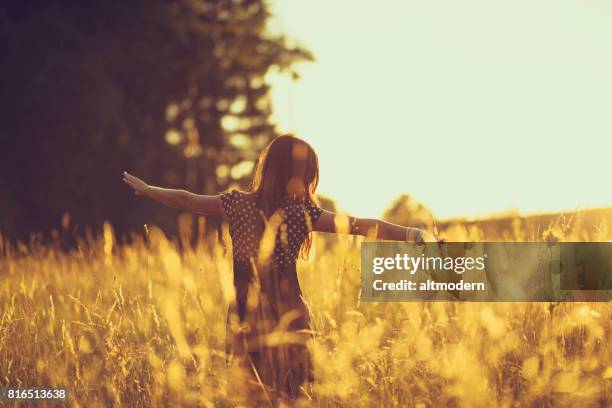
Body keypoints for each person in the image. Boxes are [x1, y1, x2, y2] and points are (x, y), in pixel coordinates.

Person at [122, 134, 431, 404]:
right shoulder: (303, 212)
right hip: (290, 310)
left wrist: (149, 189)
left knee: (252, 395)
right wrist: (414, 235)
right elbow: (362, 227)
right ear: (302, 174)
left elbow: (187, 200)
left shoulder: (236, 204)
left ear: (268, 167)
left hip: (244, 312)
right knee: (292, 396)